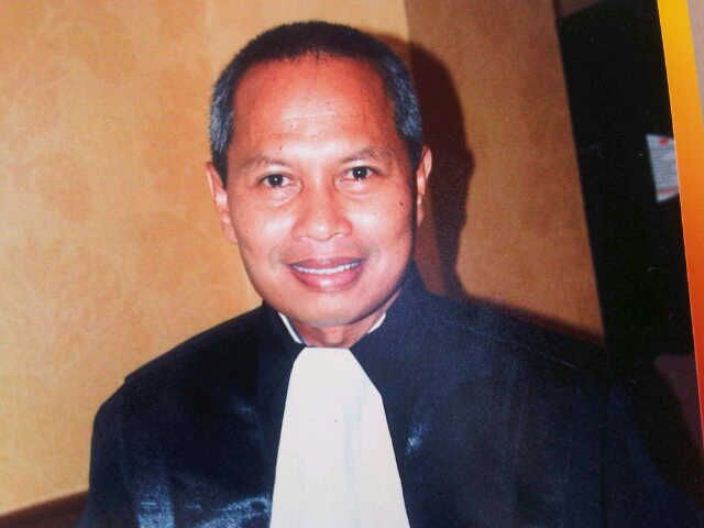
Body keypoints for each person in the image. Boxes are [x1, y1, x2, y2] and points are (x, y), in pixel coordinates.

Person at [78, 21, 699, 527]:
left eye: (358, 173)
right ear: (223, 201)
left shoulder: (578, 404)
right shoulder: (146, 426)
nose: (322, 224)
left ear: (418, 182)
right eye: (276, 179)